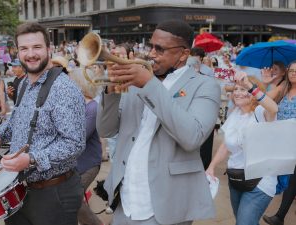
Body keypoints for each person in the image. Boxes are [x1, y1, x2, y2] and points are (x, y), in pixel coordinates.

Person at [96, 20, 221, 225]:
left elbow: (192, 137)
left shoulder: (205, 86)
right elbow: (106, 129)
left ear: (183, 54)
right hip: (125, 200)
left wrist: (149, 84)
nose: (151, 54)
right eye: (150, 46)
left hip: (166, 206)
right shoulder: (137, 81)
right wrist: (111, 91)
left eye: (160, 49)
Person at [0, 22, 86, 225]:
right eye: (24, 48)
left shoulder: (64, 90)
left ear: (49, 49)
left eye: (36, 47)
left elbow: (75, 144)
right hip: (20, 189)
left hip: (53, 193)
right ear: (17, 52)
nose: (30, 54)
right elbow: (17, 122)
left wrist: (32, 159)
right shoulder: (25, 84)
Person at [206, 73, 278, 225]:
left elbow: (273, 108)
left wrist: (250, 86)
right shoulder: (235, 114)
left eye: (243, 89)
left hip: (260, 182)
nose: (238, 92)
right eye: (236, 89)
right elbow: (225, 145)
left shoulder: (260, 113)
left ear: (253, 94)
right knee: (244, 221)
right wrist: (211, 167)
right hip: (237, 178)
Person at [263, 61, 296, 225]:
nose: (293, 73)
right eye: (291, 70)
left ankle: (279, 216)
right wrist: (267, 83)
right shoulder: (283, 88)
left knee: (292, 180)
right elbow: (264, 99)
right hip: (283, 141)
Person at [69, 68, 104, 225]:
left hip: (88, 164)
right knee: (72, 201)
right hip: (75, 163)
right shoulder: (75, 105)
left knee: (73, 199)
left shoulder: (92, 108)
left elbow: (79, 138)